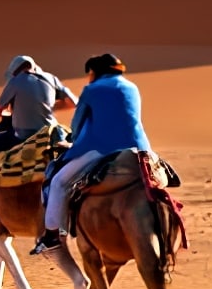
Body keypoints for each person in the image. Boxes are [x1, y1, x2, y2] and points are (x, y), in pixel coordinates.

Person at [36, 53, 150, 252]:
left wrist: (72, 140)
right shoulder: (132, 87)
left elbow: (77, 124)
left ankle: (52, 234)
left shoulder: (91, 89)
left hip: (101, 149)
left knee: (59, 181)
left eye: (89, 73)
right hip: (139, 149)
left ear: (95, 72)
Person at [0, 55, 77, 219]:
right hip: (51, 132)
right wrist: (47, 108)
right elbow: (73, 103)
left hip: (23, 135)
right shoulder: (51, 78)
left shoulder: (16, 81)